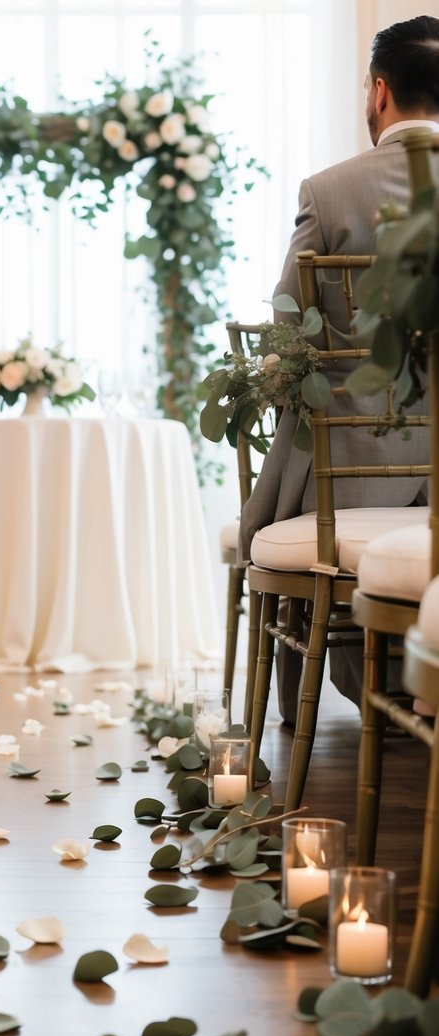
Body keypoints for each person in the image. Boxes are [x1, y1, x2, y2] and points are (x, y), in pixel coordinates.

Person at [239, 14, 439, 719]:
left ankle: (345, 688)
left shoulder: (327, 192)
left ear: (378, 93)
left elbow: (287, 330)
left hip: (349, 480)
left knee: (299, 437)